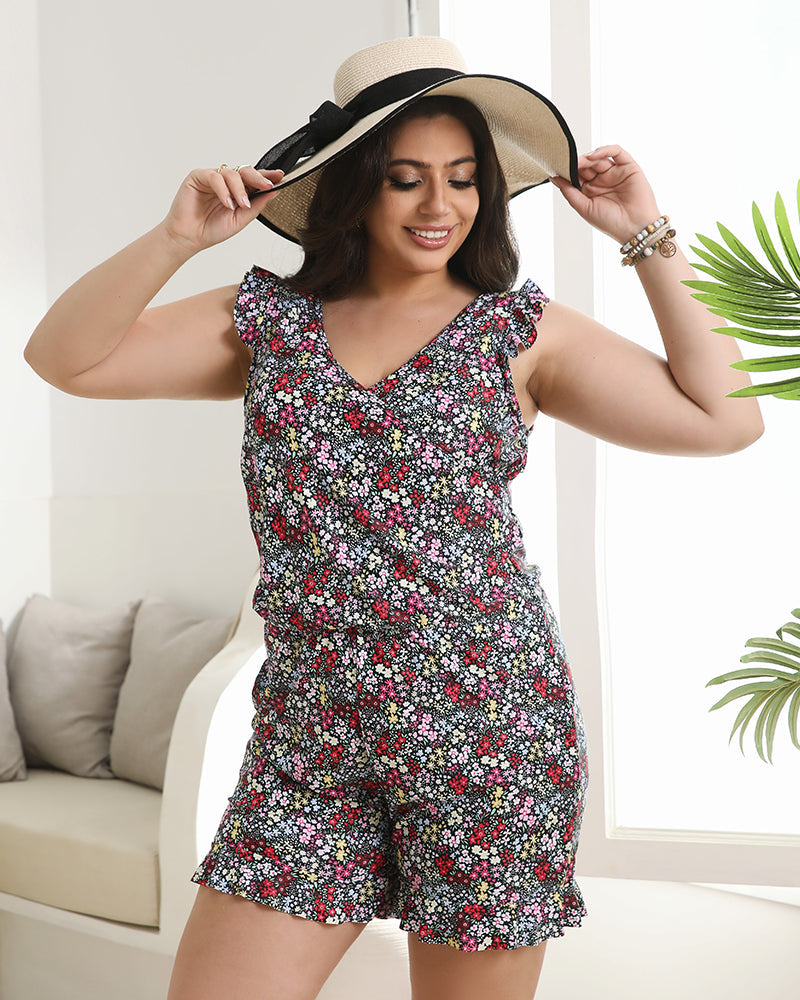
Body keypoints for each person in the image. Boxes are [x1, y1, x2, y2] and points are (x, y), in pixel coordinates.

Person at [25, 34, 762, 1000]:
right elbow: (63, 358)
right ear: (354, 186)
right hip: (307, 746)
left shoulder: (520, 332)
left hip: (489, 736)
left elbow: (726, 419)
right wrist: (177, 239)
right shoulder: (265, 324)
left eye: (462, 178)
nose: (437, 205)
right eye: (405, 179)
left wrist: (645, 234)